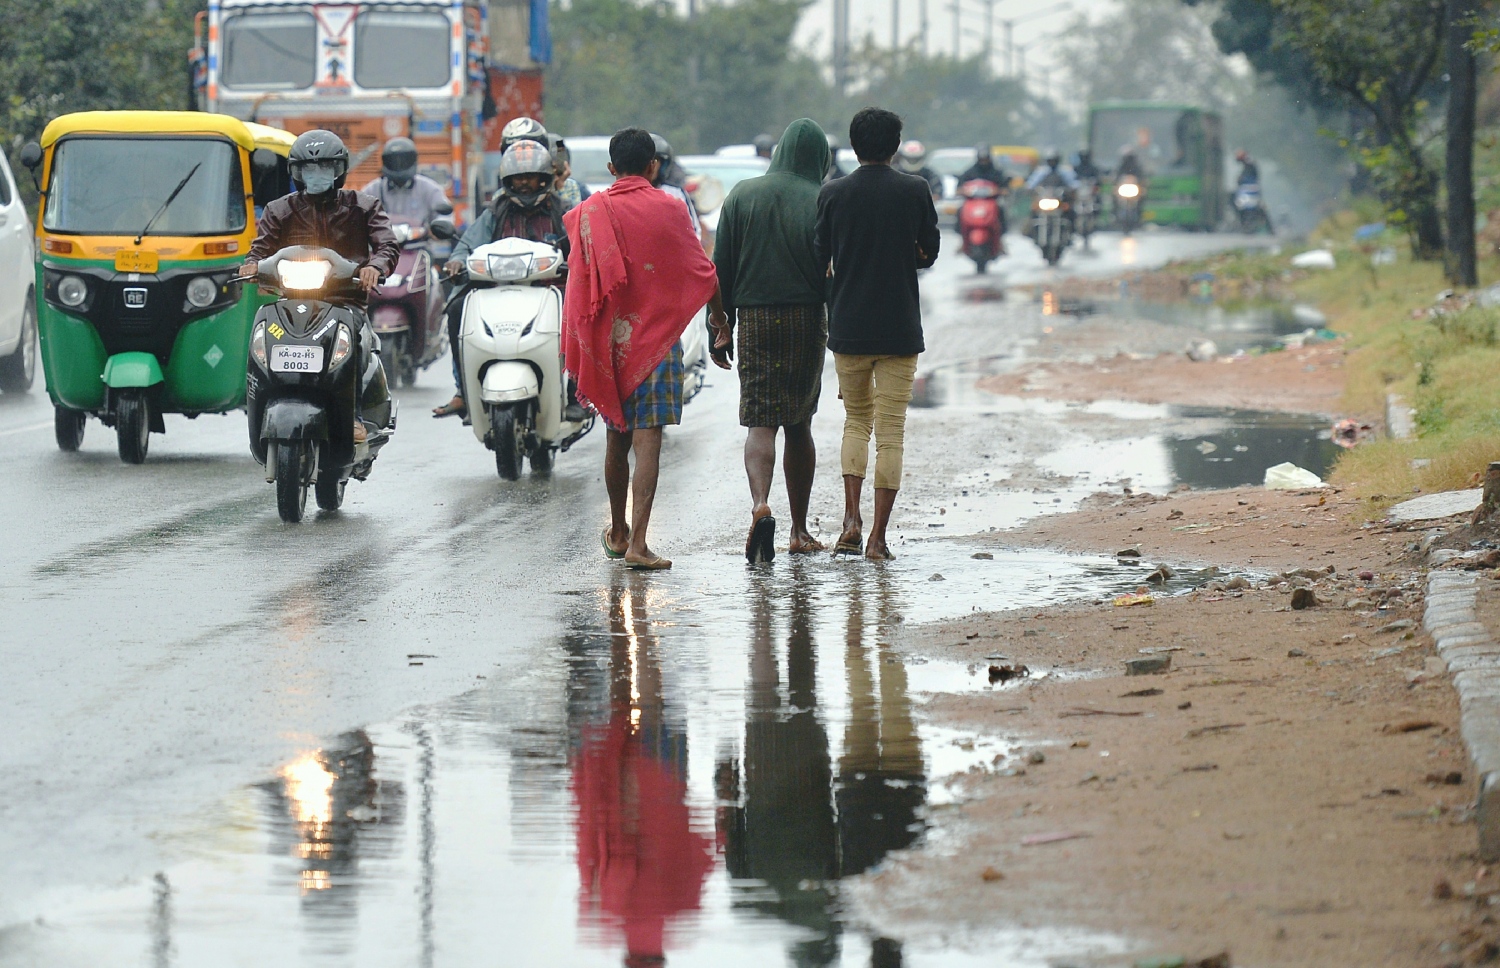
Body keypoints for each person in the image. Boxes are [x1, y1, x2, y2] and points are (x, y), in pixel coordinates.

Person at [564, 128, 728, 571]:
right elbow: (702, 272)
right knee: (648, 442)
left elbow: (579, 284)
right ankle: (639, 543)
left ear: (612, 168)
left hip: (609, 347)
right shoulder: (671, 209)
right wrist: (720, 321)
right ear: (654, 166)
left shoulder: (588, 212)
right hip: (655, 344)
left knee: (615, 438)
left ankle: (617, 532)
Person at [814, 107, 939, 561]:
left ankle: (850, 519)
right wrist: (908, 254)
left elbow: (819, 252)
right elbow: (931, 251)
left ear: (854, 145)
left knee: (855, 421)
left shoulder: (833, 193)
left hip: (848, 325)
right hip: (900, 326)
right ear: (895, 146)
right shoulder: (915, 189)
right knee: (891, 430)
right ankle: (877, 539)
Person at [710, 118, 831, 564]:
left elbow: (718, 268)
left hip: (755, 318)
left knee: (760, 421)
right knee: (799, 423)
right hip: (805, 317)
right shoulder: (821, 198)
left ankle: (761, 505)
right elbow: (831, 270)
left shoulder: (742, 194)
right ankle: (799, 531)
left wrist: (720, 325)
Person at [240, 130, 400, 444]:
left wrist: (373, 268)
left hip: (345, 301)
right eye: (308, 169)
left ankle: (354, 416)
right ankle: (261, 406)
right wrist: (251, 266)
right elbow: (259, 250)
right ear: (296, 174)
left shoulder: (363, 207)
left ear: (340, 170)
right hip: (291, 300)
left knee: (352, 338)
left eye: (325, 168)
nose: (316, 175)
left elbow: (387, 247)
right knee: (262, 333)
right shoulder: (279, 210)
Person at [433, 140, 575, 419]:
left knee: (585, 316)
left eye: (530, 177)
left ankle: (578, 394)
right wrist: (456, 262)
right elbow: (468, 244)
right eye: (517, 178)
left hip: (553, 292)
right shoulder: (495, 211)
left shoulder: (564, 210)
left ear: (545, 177)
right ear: (507, 180)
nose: (524, 183)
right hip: (497, 291)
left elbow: (583, 244)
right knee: (457, 308)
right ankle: (464, 390)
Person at [360, 137, 450, 236]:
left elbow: (445, 215)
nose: (399, 165)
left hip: (420, 246)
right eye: (393, 161)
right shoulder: (372, 190)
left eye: (404, 161)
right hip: (379, 247)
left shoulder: (429, 188)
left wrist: (439, 228)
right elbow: (356, 214)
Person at [957, 144, 1010, 237]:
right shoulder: (970, 172)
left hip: (991, 201)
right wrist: (961, 190)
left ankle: (1000, 238)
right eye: (982, 159)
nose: (983, 161)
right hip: (972, 202)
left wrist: (1001, 191)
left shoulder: (996, 172)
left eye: (985, 159)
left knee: (1000, 209)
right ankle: (962, 237)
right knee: (960, 210)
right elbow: (960, 186)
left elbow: (1005, 186)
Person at [548, 134, 591, 207]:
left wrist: (560, 186)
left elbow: (573, 215)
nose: (555, 163)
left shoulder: (575, 187)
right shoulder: (534, 187)